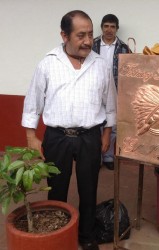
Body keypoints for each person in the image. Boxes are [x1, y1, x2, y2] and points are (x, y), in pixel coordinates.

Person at [21, 10, 116, 250]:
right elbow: (33, 101)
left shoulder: (101, 65)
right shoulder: (48, 64)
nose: (87, 41)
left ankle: (86, 237)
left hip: (90, 137)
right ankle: (58, 235)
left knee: (88, 188)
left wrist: (106, 133)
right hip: (57, 137)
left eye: (90, 35)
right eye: (80, 35)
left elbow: (111, 102)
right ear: (64, 35)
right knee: (56, 189)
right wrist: (31, 136)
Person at [92, 14, 131, 170]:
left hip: (115, 90)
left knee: (112, 124)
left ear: (117, 29)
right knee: (95, 124)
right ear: (101, 27)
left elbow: (129, 72)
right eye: (106, 26)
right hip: (94, 90)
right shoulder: (92, 45)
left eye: (112, 26)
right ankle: (95, 157)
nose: (109, 29)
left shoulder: (124, 48)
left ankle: (108, 156)